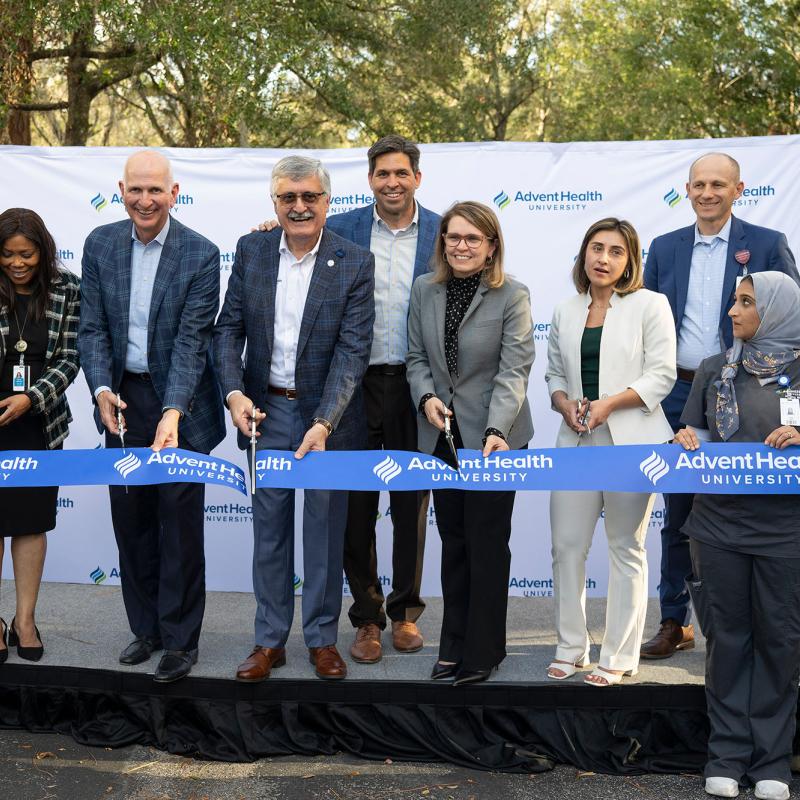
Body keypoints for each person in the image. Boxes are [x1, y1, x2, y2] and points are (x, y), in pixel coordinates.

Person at [214, 155, 374, 682]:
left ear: (327, 202)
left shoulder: (353, 260)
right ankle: (268, 642)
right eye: (289, 197)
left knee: (325, 532)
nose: (300, 206)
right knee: (270, 534)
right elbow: (227, 331)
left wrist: (326, 420)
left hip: (328, 420)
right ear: (275, 202)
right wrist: (234, 395)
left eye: (310, 197)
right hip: (265, 413)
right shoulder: (252, 250)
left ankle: (323, 640)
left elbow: (353, 353)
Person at [641, 152, 798, 660]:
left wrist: (792, 409)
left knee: (750, 503)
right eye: (699, 185)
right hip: (680, 393)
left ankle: (752, 620)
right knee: (679, 508)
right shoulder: (664, 248)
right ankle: (673, 618)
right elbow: (644, 319)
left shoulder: (767, 244)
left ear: (739, 190)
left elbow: (791, 328)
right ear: (687, 190)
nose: (708, 193)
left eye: (718, 185)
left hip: (754, 394)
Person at [78, 150, 225, 683]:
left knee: (179, 527)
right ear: (121, 190)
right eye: (135, 190)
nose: (145, 200)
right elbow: (91, 328)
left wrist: (173, 412)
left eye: (155, 190)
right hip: (122, 401)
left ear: (174, 192)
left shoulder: (201, 254)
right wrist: (99, 388)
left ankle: (182, 642)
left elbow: (192, 343)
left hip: (180, 407)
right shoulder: (100, 244)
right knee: (132, 520)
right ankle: (147, 630)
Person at [674, 272, 800, 800]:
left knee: (780, 644)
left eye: (746, 302)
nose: (733, 311)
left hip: (785, 534)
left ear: (776, 311)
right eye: (733, 301)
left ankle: (772, 761)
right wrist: (684, 438)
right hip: (718, 529)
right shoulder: (710, 370)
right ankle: (725, 756)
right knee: (727, 643)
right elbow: (696, 434)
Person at [406, 200, 534, 686]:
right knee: (453, 542)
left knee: (485, 543)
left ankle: (484, 648)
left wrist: (496, 431)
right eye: (453, 237)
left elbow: (513, 371)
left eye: (472, 239)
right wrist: (426, 399)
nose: (461, 246)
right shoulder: (425, 289)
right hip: (440, 436)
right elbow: (417, 358)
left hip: (494, 442)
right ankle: (453, 642)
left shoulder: (513, 295)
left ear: (491, 246)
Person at [545, 217, 676, 686]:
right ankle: (571, 647)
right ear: (584, 254)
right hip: (576, 441)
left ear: (629, 261)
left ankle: (618, 655)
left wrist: (608, 404)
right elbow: (555, 375)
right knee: (566, 547)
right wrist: (564, 406)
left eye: (615, 251)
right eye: (596, 248)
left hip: (633, 445)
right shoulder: (564, 309)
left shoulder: (650, 305)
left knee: (625, 546)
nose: (603, 258)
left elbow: (662, 375)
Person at [327, 134, 440, 665]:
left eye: (401, 173)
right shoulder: (341, 228)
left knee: (411, 503)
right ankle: (367, 618)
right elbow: (296, 246)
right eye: (381, 174)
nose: (392, 182)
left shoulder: (444, 233)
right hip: (351, 383)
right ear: (370, 179)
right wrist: (268, 227)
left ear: (417, 177)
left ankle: (405, 614)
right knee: (355, 503)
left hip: (417, 385)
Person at [0, 208, 80, 663]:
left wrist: (30, 398)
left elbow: (70, 357)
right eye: (7, 255)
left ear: (42, 251)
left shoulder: (68, 290)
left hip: (39, 421)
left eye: (26, 254)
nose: (16, 263)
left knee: (30, 523)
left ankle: (24, 619)